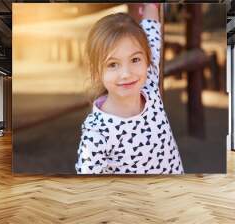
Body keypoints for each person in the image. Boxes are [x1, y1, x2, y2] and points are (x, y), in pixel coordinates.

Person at [75, 4, 183, 174]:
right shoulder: (97, 131)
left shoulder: (149, 83)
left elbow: (152, 29)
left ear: (147, 60)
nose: (126, 74)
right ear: (96, 71)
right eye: (113, 64)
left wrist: (151, 6)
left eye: (134, 60)